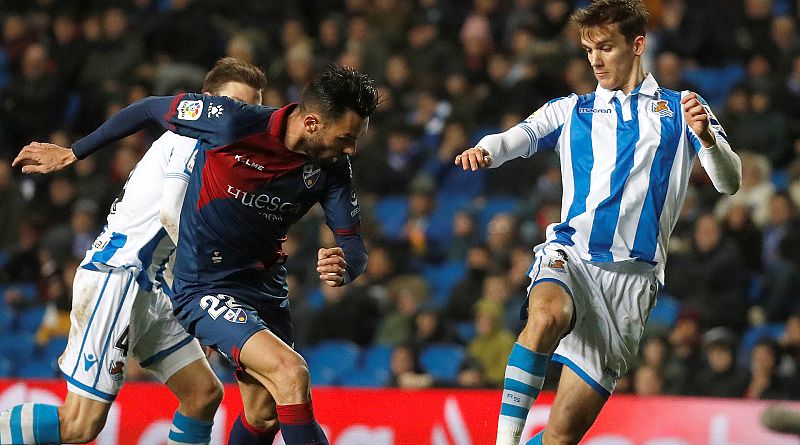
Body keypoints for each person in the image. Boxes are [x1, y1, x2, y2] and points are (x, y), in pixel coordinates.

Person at [14, 62, 379, 445]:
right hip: (189, 281)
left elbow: (354, 245)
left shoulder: (333, 167)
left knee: (253, 409)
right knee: (291, 373)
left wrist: (346, 266)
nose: (351, 149)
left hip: (260, 287)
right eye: (345, 138)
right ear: (312, 123)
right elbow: (150, 110)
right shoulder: (228, 123)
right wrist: (74, 152)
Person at [453, 1, 742, 444]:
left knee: (561, 436)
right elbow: (514, 138)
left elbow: (729, 181)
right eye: (589, 50)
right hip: (573, 254)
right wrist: (485, 151)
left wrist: (706, 139)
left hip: (632, 285)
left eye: (605, 47)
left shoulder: (681, 108)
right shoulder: (572, 110)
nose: (595, 60)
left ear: (637, 45)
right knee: (546, 316)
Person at [0, 57, 266, 445]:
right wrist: (210, 289)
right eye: (235, 105)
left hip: (152, 286)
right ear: (208, 102)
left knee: (203, 395)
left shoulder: (225, 159)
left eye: (254, 109)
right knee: (80, 425)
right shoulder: (191, 139)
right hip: (119, 277)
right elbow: (172, 216)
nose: (243, 118)